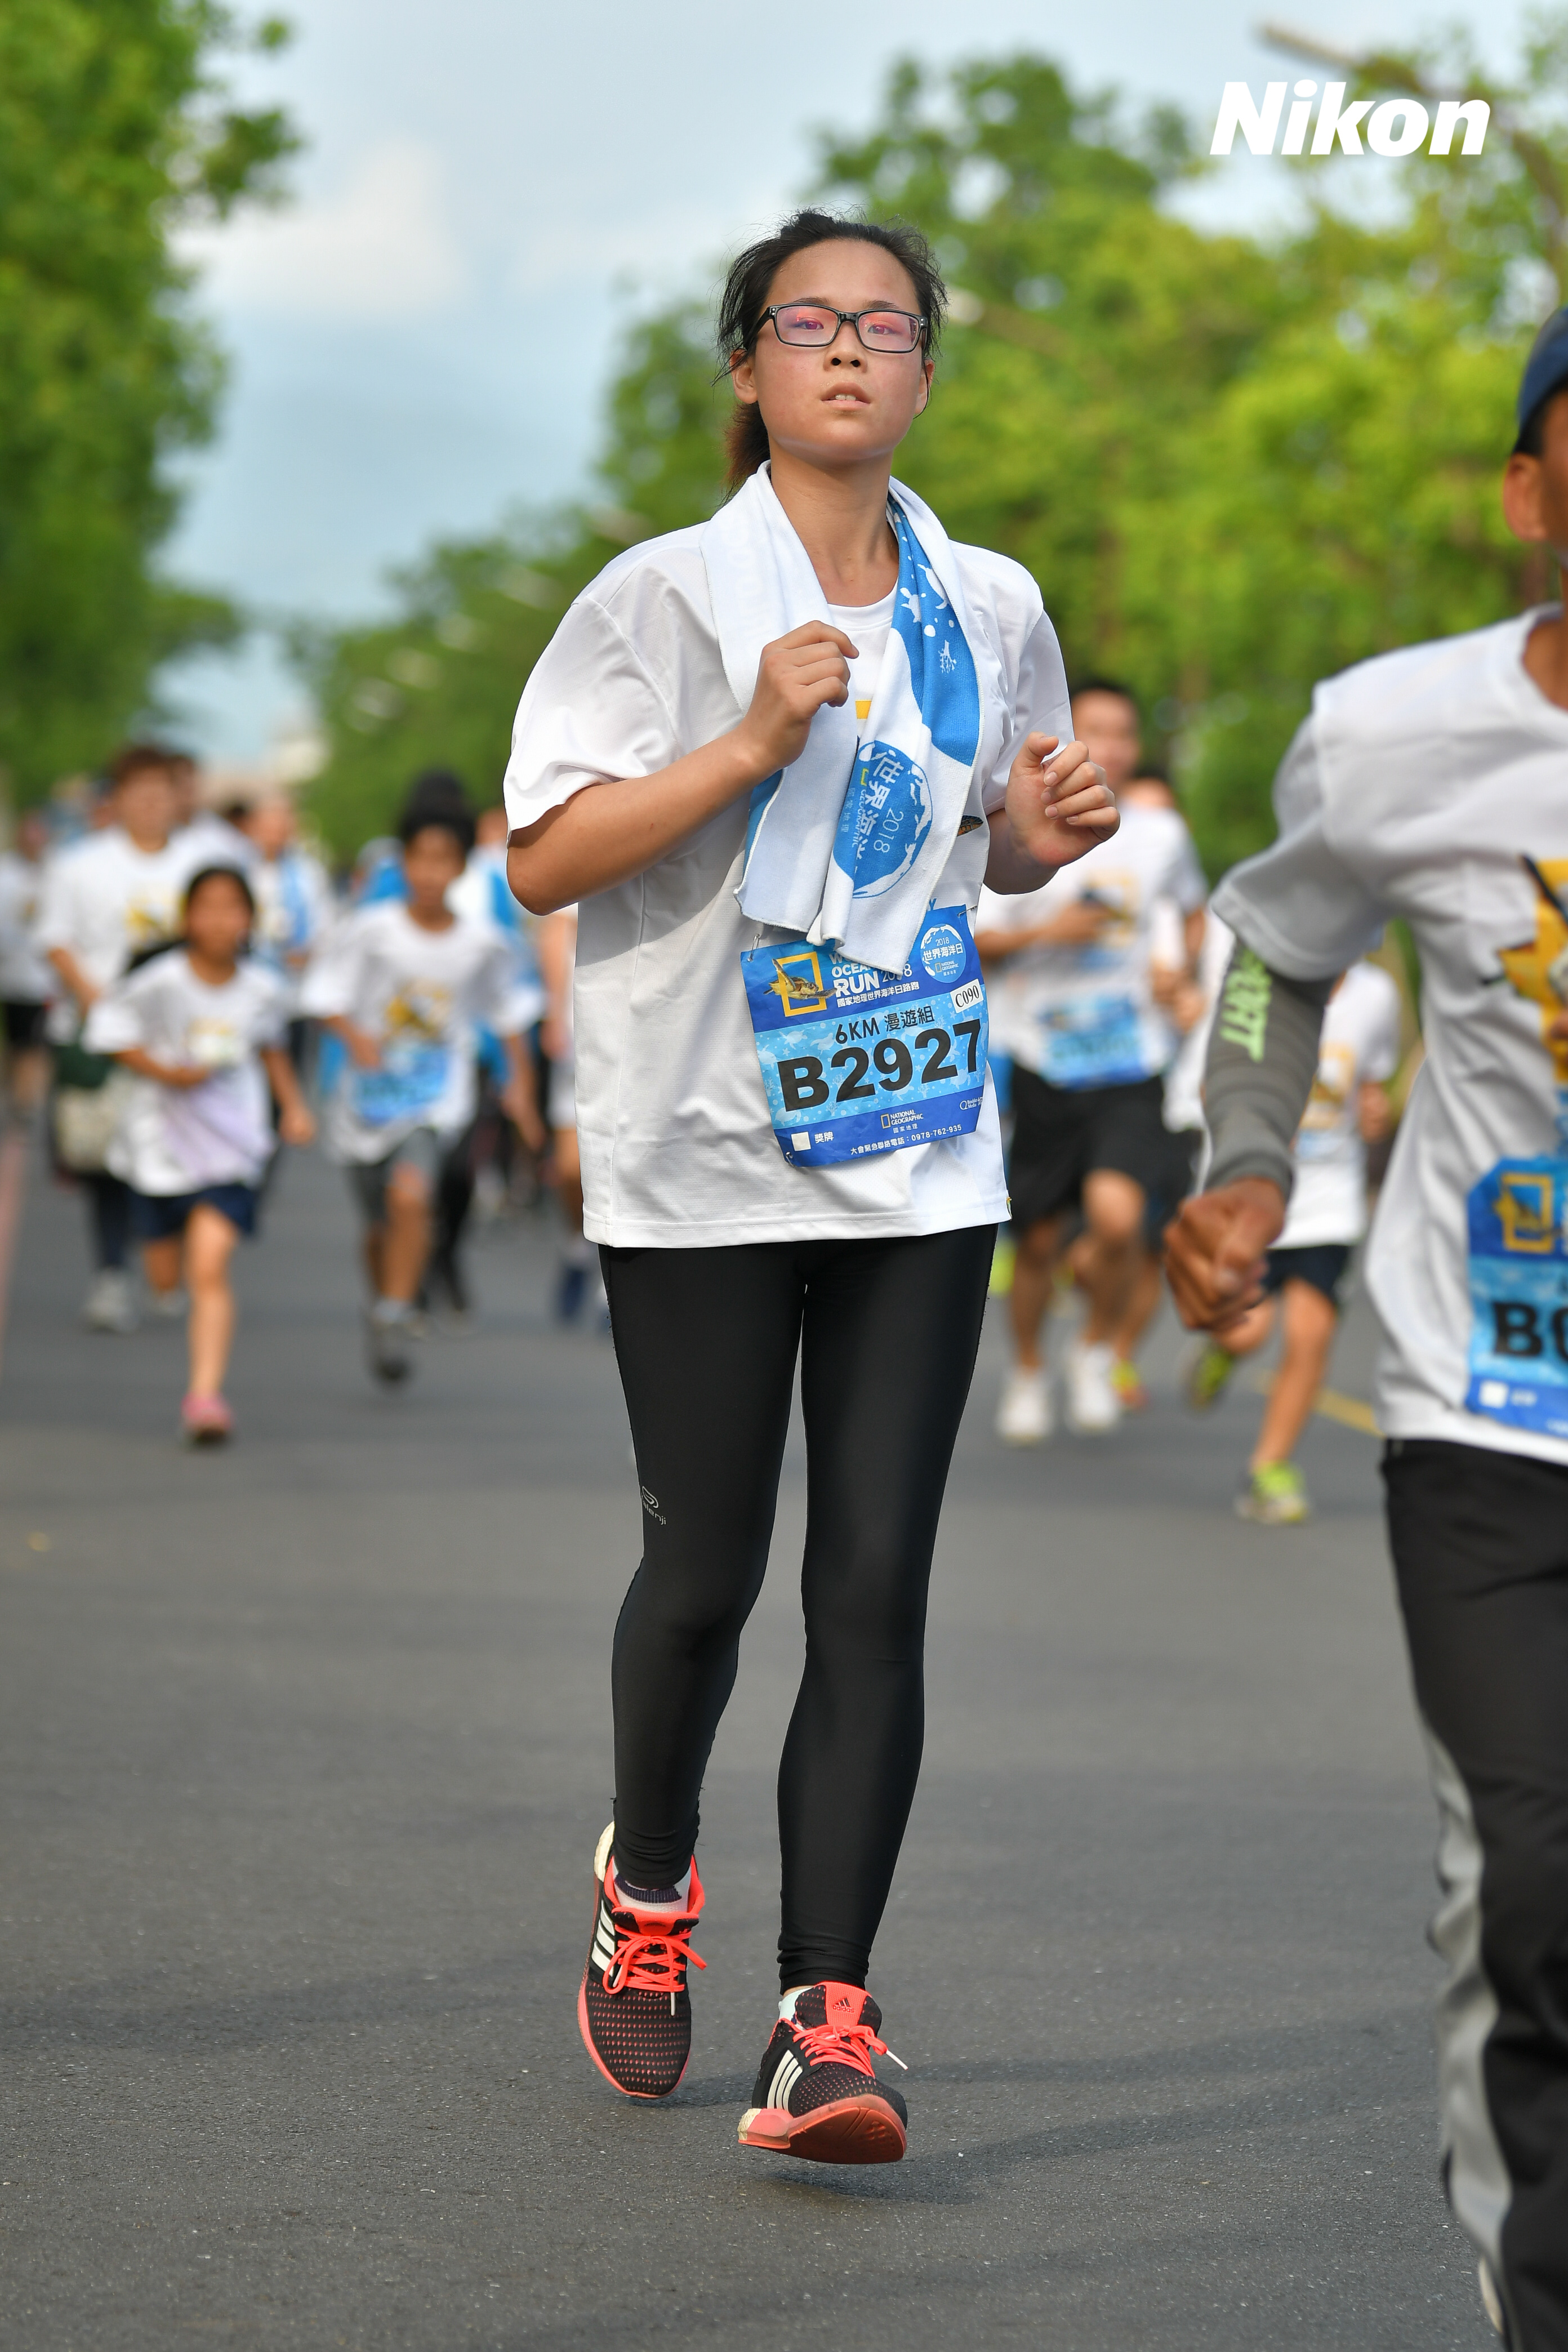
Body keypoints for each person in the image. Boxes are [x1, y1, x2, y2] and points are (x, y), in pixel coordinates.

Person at [504, 208, 1116, 2162]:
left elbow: (981, 851)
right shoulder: (660, 598)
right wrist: (749, 740)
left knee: (870, 1585)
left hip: (914, 1141)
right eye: (807, 321)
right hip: (699, 1145)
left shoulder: (988, 602)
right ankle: (647, 1878)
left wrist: (1041, 832)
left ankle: (825, 2017)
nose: (849, 348)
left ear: (925, 372)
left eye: (886, 324)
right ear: (749, 367)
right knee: (705, 1575)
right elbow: (544, 859)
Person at [1164, 309, 1568, 2350]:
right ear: (1528, 491)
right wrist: (1248, 1159)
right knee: (1538, 1872)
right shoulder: (1397, 736)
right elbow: (1267, 944)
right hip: (1496, 1396)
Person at [977, 679, 1205, 1443]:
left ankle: (1096, 1349)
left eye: (1123, 734)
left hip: (1132, 1060)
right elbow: (976, 940)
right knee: (1040, 1244)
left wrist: (1180, 976)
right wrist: (1052, 935)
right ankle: (1029, 1371)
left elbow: (1191, 914)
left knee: (1118, 1218)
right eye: (1094, 730)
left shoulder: (1161, 835)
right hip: (1042, 1060)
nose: (1109, 746)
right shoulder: (1021, 823)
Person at [302, 785, 537, 1383]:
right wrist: (355, 1038)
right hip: (367, 1099)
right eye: (419, 859)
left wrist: (520, 1086)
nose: (430, 873)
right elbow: (323, 997)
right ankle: (384, 1298)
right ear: (402, 862)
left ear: (461, 867)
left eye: (443, 860)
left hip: (436, 1097)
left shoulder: (482, 942)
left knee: (412, 1197)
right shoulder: (370, 930)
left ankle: (395, 1311)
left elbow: (507, 1013)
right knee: (379, 1226)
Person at [83, 867, 314, 1441]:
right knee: (167, 1279)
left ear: (250, 920)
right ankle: (164, 1276)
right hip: (160, 1146)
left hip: (230, 1145)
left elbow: (273, 1049)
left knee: (209, 1266)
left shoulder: (263, 989)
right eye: (206, 907)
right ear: (187, 918)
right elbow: (107, 1033)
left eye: (232, 907)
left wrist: (293, 1107)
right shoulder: (158, 981)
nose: (219, 920)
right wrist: (165, 1072)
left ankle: (205, 1398)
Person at [1182, 959, 1400, 1520]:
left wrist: (1374, 1111)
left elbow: (1371, 1085)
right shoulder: (1258, 979)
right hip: (1251, 1192)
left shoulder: (1376, 995)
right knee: (1247, 1332)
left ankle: (1269, 1467)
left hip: (1328, 1200)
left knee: (1311, 1333)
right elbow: (1209, 1084)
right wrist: (1260, 1120)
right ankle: (1222, 1350)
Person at [37, 744, 213, 1332]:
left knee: (179, 1155)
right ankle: (112, 1274)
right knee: (106, 1161)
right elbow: (56, 941)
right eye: (139, 794)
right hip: (102, 1037)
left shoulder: (202, 863)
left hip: (180, 1038)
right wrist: (102, 1003)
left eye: (162, 793)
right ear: (116, 800)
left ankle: (170, 1263)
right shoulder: (80, 865)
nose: (151, 805)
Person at [534, 902, 596, 1320]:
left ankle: (612, 1281)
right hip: (582, 1035)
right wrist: (555, 1014)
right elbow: (556, 934)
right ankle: (579, 1246)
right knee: (571, 1168)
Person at [242, 792, 334, 1068]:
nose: (277, 828)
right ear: (254, 825)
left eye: (284, 820)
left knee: (293, 1064)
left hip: (294, 992)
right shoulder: (241, 870)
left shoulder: (308, 873)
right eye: (270, 821)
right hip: (247, 990)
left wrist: (309, 952)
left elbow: (326, 926)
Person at [0, 809, 56, 1126]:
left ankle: (29, 1103)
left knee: (38, 1044)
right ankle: (17, 1098)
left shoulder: (56, 871)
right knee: (18, 1043)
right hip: (13, 977)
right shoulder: (6, 872)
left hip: (46, 979)